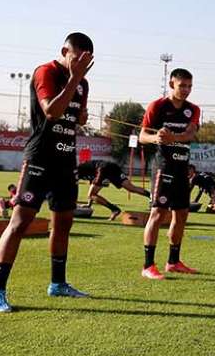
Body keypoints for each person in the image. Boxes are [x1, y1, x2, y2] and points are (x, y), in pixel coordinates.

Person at [0, 32, 94, 313]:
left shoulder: (83, 83)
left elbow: (75, 116)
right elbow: (52, 111)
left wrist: (82, 115)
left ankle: (57, 284)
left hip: (65, 161)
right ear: (64, 51)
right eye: (77, 58)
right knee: (20, 223)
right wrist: (73, 79)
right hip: (39, 159)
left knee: (63, 224)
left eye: (87, 61)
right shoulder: (45, 72)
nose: (82, 65)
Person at [138, 68, 200, 280]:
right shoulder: (157, 106)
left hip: (182, 168)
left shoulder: (193, 109)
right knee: (158, 214)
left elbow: (190, 134)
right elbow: (142, 135)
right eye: (182, 85)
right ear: (172, 83)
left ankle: (173, 262)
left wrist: (174, 137)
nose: (186, 90)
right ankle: (148, 265)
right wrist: (156, 138)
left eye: (190, 86)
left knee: (181, 214)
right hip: (163, 167)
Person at [77, 159, 151, 220]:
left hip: (102, 169)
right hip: (112, 166)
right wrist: (89, 204)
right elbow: (93, 184)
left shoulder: (76, 171)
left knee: (92, 195)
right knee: (131, 188)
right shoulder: (82, 169)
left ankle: (114, 209)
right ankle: (153, 196)